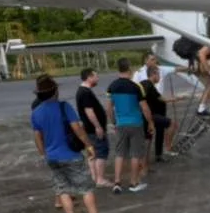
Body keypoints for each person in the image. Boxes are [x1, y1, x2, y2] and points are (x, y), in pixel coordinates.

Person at [30, 74, 114, 213]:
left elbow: (37, 136)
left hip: (52, 157)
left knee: (63, 190)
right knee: (86, 188)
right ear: (55, 91)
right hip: (70, 155)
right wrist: (89, 146)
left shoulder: (36, 113)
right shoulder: (63, 107)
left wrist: (43, 154)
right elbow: (77, 129)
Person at [107, 58, 154, 194]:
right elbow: (144, 108)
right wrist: (150, 123)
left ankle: (117, 183)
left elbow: (109, 108)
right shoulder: (136, 86)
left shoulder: (112, 86)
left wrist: (113, 122)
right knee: (135, 154)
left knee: (120, 154)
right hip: (136, 124)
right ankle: (133, 182)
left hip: (121, 124)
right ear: (129, 69)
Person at [76, 67, 111, 187]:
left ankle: (94, 177)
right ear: (89, 77)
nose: (98, 78)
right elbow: (89, 111)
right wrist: (98, 126)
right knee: (101, 151)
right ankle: (100, 179)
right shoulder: (85, 93)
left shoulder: (82, 91)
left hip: (88, 129)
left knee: (92, 153)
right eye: (96, 76)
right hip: (93, 129)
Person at [142, 64, 177, 161]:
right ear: (153, 74)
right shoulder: (148, 85)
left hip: (152, 114)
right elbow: (162, 99)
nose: (160, 77)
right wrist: (177, 98)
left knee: (158, 132)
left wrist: (176, 98)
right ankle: (168, 147)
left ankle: (158, 155)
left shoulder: (147, 85)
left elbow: (161, 99)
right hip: (149, 116)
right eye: (158, 74)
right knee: (172, 124)